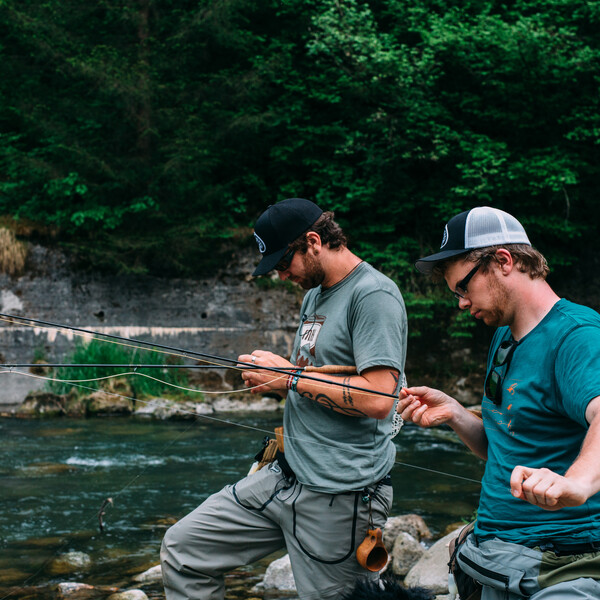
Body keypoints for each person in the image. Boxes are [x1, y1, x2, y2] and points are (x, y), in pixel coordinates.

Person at [161, 197, 408, 600]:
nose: (279, 275)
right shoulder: (315, 295)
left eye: (282, 263)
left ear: (313, 241)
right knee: (184, 549)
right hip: (284, 477)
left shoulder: (374, 295)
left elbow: (379, 398)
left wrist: (288, 377)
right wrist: (279, 382)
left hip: (339, 497)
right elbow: (312, 377)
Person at [398, 206, 600, 599]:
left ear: (503, 261)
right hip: (495, 563)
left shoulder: (578, 336)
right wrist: (456, 414)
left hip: (561, 569)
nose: (460, 302)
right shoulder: (503, 336)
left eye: (463, 287)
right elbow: (503, 445)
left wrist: (577, 482)